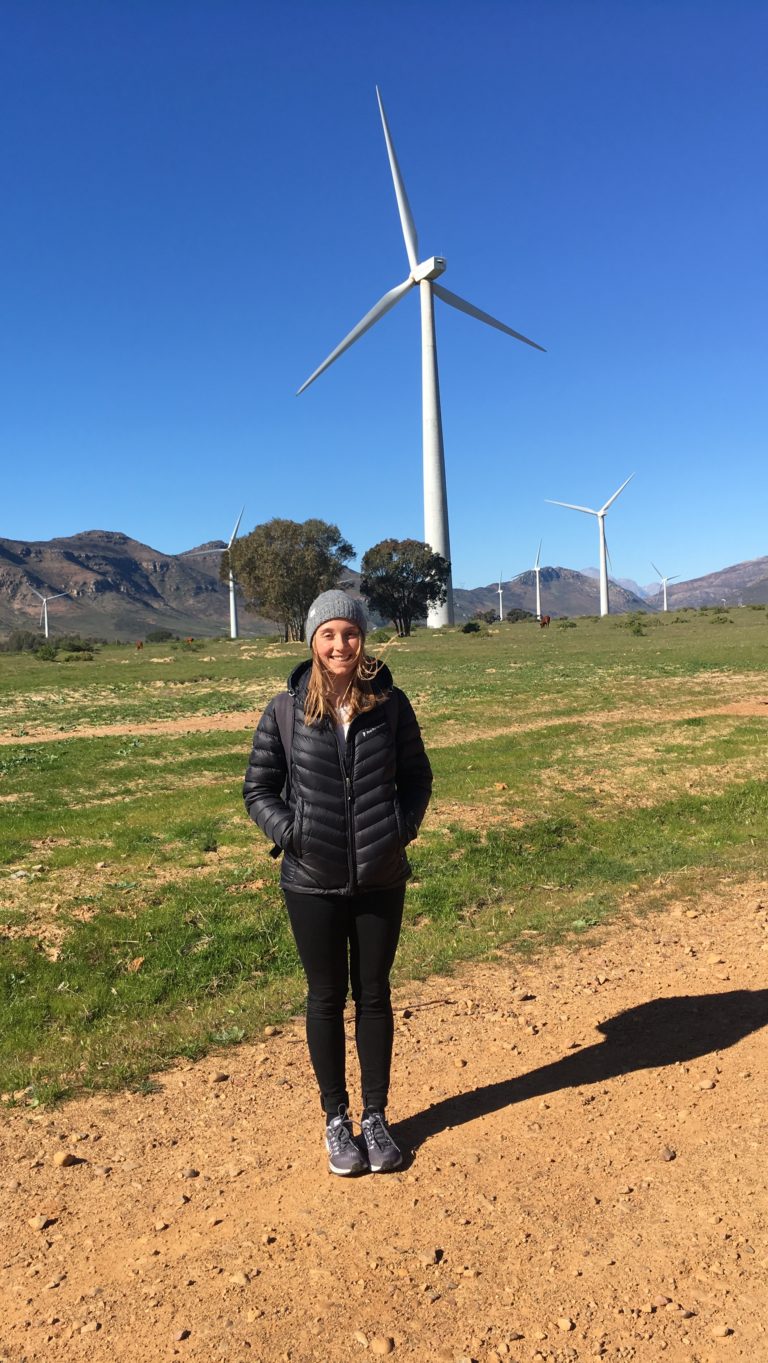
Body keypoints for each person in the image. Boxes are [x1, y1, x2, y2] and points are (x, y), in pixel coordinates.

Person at [243, 590, 432, 1175]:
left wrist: (398, 832)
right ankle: (335, 1120)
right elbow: (258, 788)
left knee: (373, 995)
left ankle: (374, 1117)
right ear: (312, 641)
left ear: (363, 639)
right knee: (325, 998)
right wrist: (292, 834)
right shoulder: (285, 709)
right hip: (310, 878)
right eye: (329, 635)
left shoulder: (391, 704)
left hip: (381, 875)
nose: (340, 644)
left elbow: (418, 778)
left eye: (349, 633)